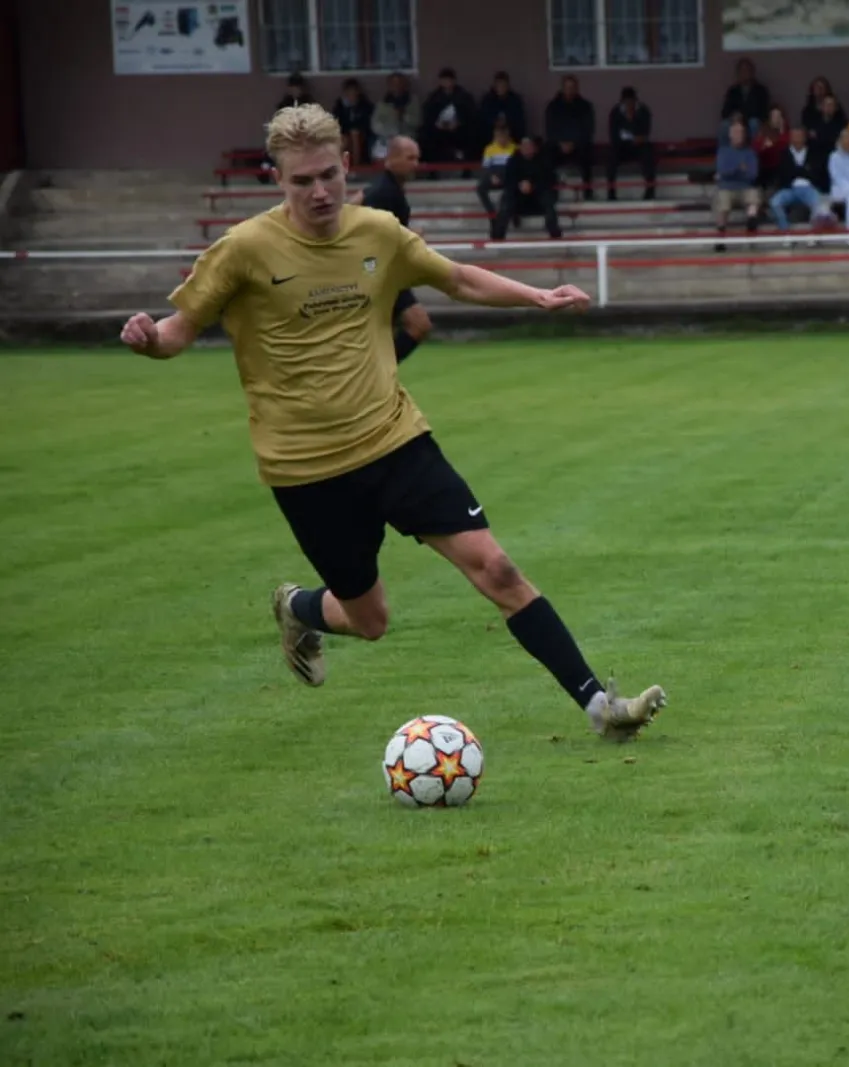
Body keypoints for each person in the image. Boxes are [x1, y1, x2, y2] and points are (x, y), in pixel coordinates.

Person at [117, 104, 665, 741]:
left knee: (497, 568)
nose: (319, 192)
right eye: (302, 181)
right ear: (277, 179)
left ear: (347, 165)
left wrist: (537, 295)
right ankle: (298, 607)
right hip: (306, 470)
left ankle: (601, 708)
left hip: (395, 441)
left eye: (328, 175)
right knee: (369, 620)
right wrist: (148, 340)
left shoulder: (378, 232)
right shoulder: (242, 250)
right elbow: (178, 331)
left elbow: (457, 279)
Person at [355, 135, 431, 363]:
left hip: (387, 272)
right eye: (410, 158)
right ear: (392, 158)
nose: (416, 164)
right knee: (418, 325)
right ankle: (376, 373)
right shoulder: (384, 192)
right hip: (379, 272)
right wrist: (410, 237)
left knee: (396, 330)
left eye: (417, 158)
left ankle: (376, 374)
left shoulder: (387, 188)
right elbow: (370, 235)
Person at [493, 136, 562, 241]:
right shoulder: (513, 160)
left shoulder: (543, 160)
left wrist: (532, 185)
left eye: (529, 146)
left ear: (534, 148)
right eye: (524, 146)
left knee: (548, 200)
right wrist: (520, 185)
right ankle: (497, 237)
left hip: (538, 195)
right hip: (518, 196)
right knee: (506, 203)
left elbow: (550, 179)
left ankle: (555, 235)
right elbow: (508, 180)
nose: (527, 149)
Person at [768, 126, 831, 233]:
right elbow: (783, 175)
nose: (797, 139)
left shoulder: (814, 153)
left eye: (799, 136)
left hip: (809, 188)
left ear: (804, 137)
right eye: (794, 136)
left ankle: (814, 235)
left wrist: (796, 171)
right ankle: (785, 231)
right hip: (790, 189)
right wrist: (803, 170)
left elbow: (816, 173)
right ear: (790, 138)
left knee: (820, 205)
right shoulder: (784, 154)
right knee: (774, 203)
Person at [545, 76, 597, 200]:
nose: (570, 90)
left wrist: (573, 143)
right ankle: (551, 192)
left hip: (578, 146)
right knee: (546, 156)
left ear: (577, 88)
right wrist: (561, 143)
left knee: (587, 154)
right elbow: (550, 129)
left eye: (572, 87)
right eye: (567, 87)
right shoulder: (553, 106)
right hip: (558, 146)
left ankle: (588, 192)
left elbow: (588, 129)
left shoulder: (585, 106)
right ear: (562, 88)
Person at [606, 87, 657, 200]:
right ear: (622, 101)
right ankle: (611, 191)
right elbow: (613, 134)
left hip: (639, 146)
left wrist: (633, 122)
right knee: (611, 155)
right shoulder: (615, 112)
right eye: (626, 102)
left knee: (648, 153)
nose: (629, 104)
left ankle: (650, 190)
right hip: (621, 147)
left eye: (631, 101)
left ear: (635, 100)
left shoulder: (643, 111)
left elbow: (645, 132)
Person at [421, 68, 475, 171]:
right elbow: (428, 115)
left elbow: (471, 115)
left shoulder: (464, 96)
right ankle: (432, 171)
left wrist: (459, 122)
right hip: (439, 131)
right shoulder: (434, 97)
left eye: (449, 80)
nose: (447, 83)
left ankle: (465, 169)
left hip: (459, 130)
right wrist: (437, 124)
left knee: (471, 135)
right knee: (427, 137)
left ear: (454, 81)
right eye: (444, 80)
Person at [475, 121, 517, 214]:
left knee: (512, 187)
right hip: (494, 173)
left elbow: (518, 166)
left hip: (509, 174)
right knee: (480, 188)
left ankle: (510, 212)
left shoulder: (515, 148)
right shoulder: (489, 149)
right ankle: (491, 212)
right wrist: (492, 176)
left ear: (508, 136)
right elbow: (486, 166)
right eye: (499, 137)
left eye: (503, 136)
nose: (501, 139)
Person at [332, 79, 374, 165]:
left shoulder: (365, 105)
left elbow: (367, 123)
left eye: (353, 92)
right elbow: (336, 122)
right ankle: (340, 166)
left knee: (355, 134)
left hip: (362, 134)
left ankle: (356, 164)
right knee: (342, 140)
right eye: (348, 92)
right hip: (345, 133)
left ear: (358, 92)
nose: (351, 95)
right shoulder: (340, 106)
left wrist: (355, 128)